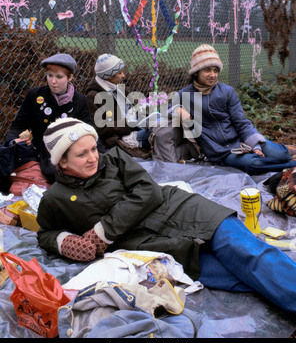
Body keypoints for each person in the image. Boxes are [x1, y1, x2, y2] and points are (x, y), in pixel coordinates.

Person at [36, 117, 296, 316]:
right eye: (82, 154)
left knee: (249, 253)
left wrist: (105, 230)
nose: (93, 157)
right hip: (156, 247)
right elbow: (45, 232)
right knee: (234, 276)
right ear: (62, 163)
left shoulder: (114, 159)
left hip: (185, 210)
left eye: (93, 148)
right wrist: (64, 241)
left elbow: (148, 191)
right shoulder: (54, 199)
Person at [173, 44, 296, 175]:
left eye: (216, 70)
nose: (213, 75)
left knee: (279, 155)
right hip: (220, 152)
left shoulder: (227, 91)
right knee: (254, 164)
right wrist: (178, 110)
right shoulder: (185, 95)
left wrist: (256, 146)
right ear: (196, 72)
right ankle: (291, 164)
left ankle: (284, 151)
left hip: (241, 140)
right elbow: (166, 109)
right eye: (207, 70)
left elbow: (241, 123)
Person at [4, 53, 95, 184]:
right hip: (41, 151)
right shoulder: (35, 95)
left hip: (70, 151)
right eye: (50, 75)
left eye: (59, 77)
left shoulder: (79, 100)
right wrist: (13, 140)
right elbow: (19, 125)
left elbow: (88, 129)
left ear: (70, 77)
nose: (53, 81)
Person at [85, 53, 150, 158]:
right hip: (121, 138)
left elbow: (135, 105)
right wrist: (128, 123)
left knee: (161, 125)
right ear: (109, 76)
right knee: (159, 135)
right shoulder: (93, 96)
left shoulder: (119, 88)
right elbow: (101, 129)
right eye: (120, 73)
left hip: (136, 128)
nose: (123, 75)